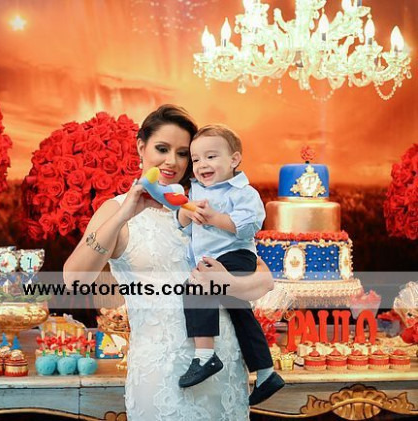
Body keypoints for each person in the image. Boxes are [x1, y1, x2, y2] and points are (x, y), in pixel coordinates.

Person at [63, 104, 274, 420]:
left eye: (183, 153)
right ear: (141, 147)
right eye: (162, 149)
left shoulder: (206, 207)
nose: (172, 161)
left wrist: (228, 283)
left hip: (224, 367)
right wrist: (124, 215)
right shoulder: (116, 210)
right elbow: (74, 280)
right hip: (160, 374)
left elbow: (264, 282)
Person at [176, 125, 284, 405]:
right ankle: (266, 372)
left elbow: (247, 226)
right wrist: (187, 214)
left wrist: (213, 218)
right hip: (215, 258)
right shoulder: (195, 190)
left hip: (236, 255)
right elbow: (182, 225)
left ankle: (205, 355)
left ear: (234, 159)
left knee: (197, 286)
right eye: (196, 159)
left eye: (211, 157)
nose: (202, 164)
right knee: (240, 312)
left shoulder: (243, 192)